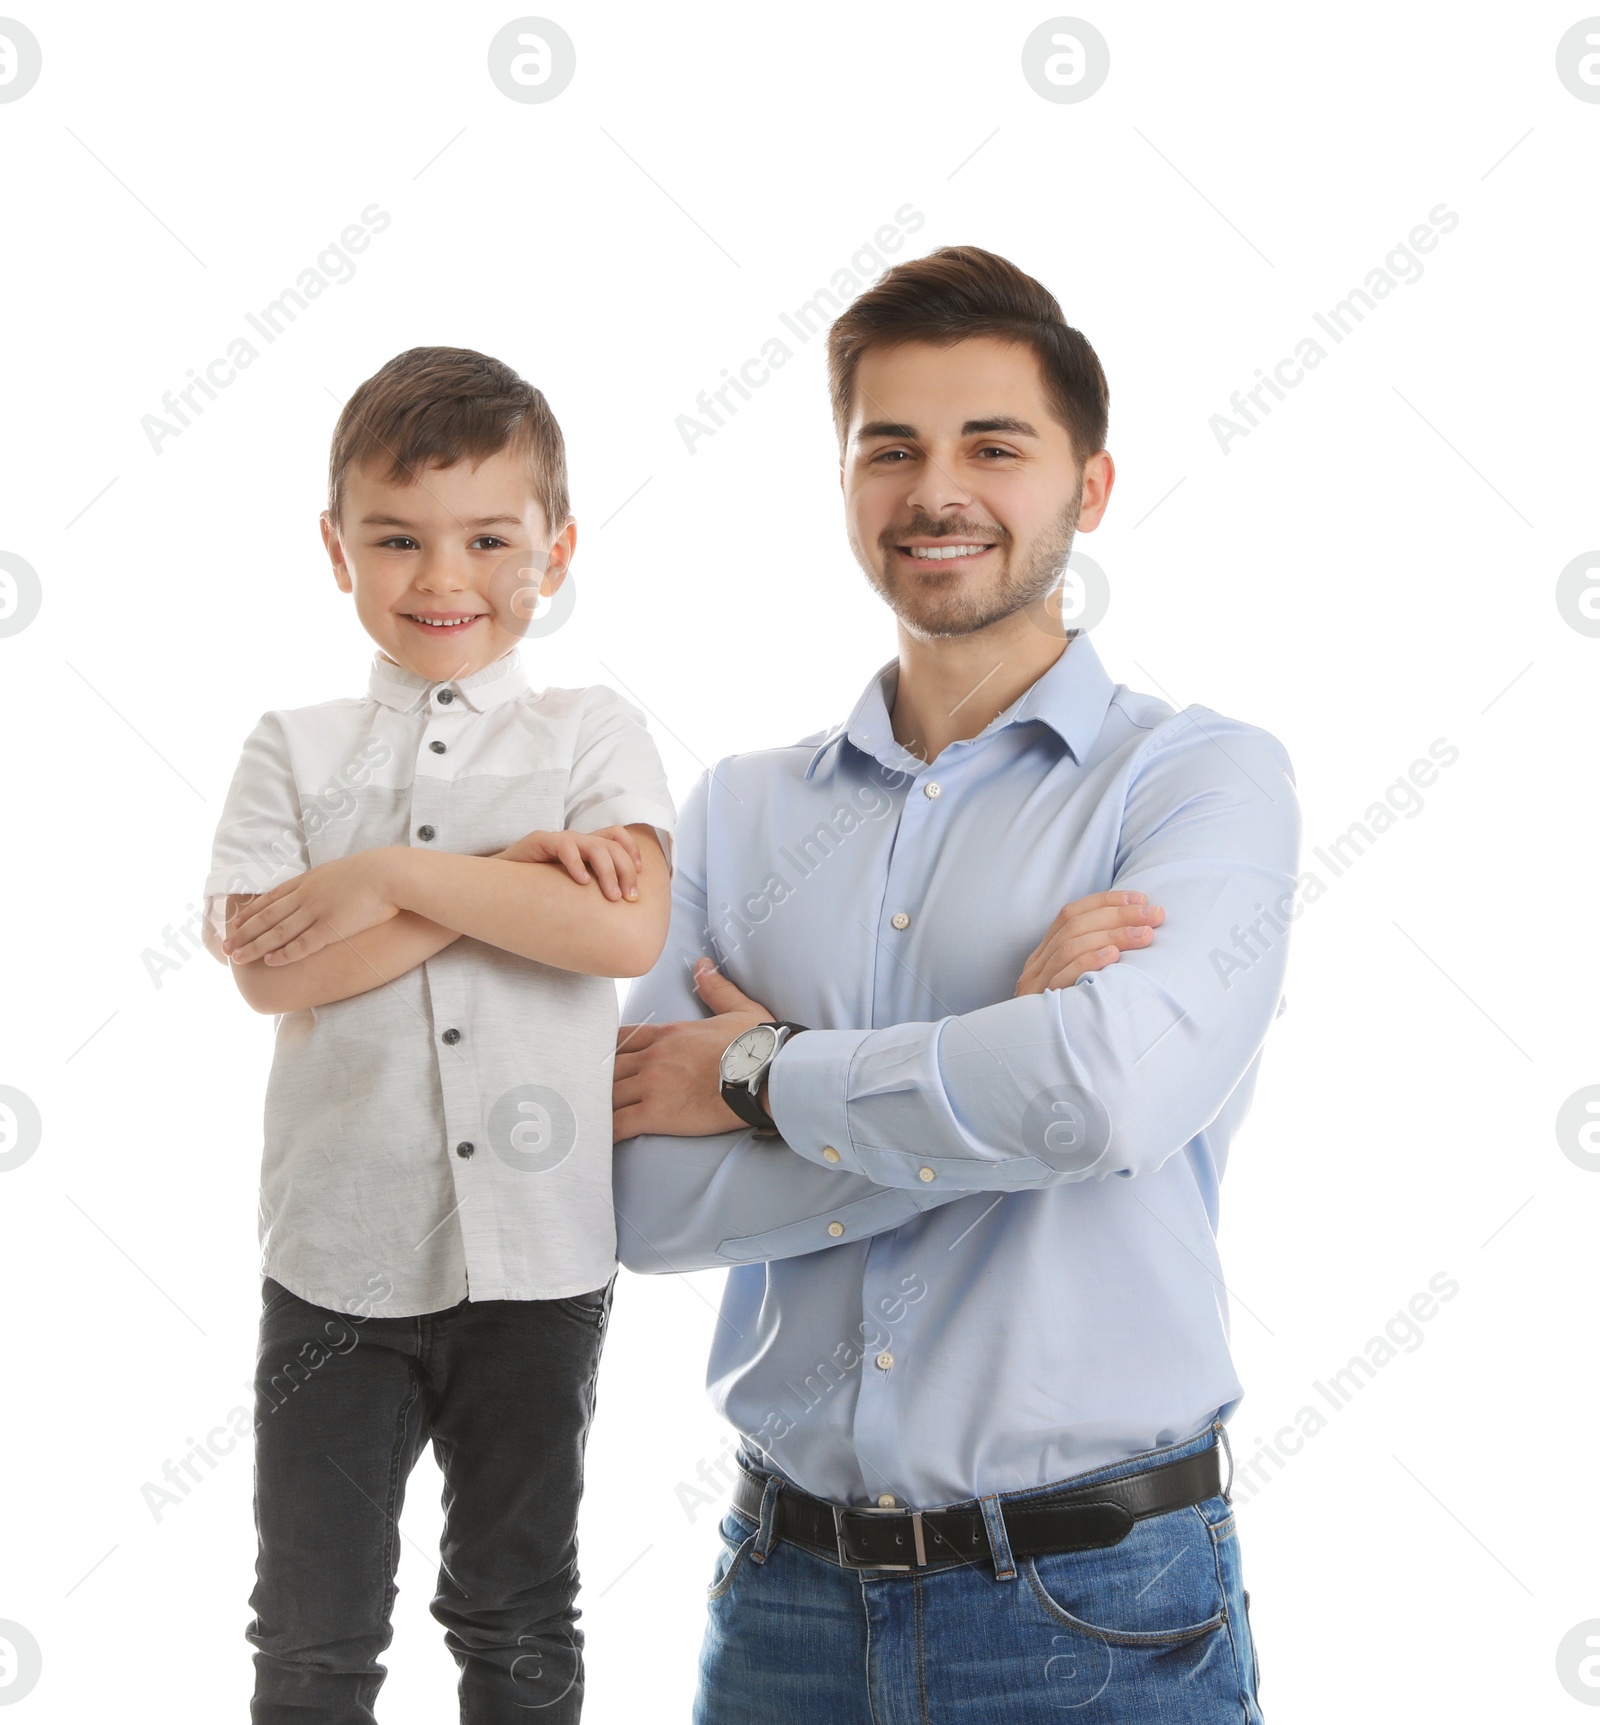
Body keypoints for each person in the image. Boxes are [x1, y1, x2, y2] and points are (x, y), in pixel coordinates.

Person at [611, 247, 1298, 1722]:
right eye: (892, 447)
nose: (939, 490)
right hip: (780, 1599)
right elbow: (645, 1204)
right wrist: (997, 1075)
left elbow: (1103, 1094)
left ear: (1089, 487)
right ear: (848, 482)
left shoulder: (1197, 782)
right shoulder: (735, 811)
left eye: (995, 445)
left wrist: (759, 1079)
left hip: (1096, 1608)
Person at [201, 346, 676, 1723]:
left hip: (539, 1255)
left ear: (557, 548)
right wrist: (507, 883)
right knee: (311, 1624)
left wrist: (392, 877)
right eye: (397, 539)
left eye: (487, 538)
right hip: (336, 1258)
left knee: (517, 1605)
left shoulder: (592, 731)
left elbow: (621, 933)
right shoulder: (289, 748)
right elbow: (272, 977)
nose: (442, 578)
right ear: (336, 548)